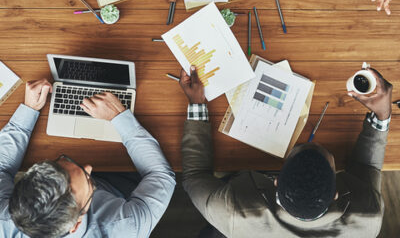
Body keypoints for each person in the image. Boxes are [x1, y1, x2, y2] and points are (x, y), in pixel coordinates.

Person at [180, 65, 392, 237]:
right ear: (336, 192)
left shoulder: (232, 212)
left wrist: (196, 103)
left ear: (276, 181)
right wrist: (382, 116)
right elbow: (367, 167)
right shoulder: (368, 217)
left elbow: (194, 176)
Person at [0, 79, 175, 237]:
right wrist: (120, 117)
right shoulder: (124, 227)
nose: (89, 167)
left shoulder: (2, 220)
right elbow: (160, 175)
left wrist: (29, 109)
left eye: (61, 162)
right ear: (75, 225)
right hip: (121, 186)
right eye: (89, 183)